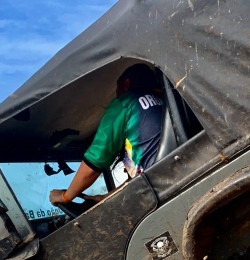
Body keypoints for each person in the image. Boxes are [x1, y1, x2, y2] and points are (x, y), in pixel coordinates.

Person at [50, 64, 165, 208]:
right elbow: (139, 177)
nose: (117, 94)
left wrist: (65, 196)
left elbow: (94, 163)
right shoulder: (165, 101)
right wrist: (105, 197)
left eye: (117, 89)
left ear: (126, 83)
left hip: (158, 191)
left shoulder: (125, 103)